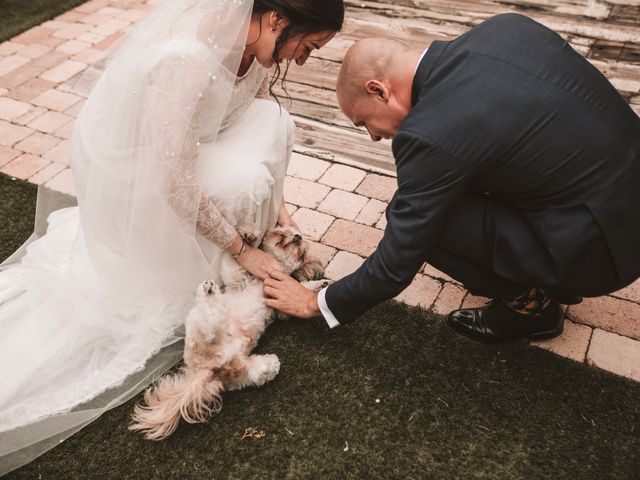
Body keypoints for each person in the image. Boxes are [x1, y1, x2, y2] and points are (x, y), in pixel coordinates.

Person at [0, 0, 343, 474]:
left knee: (275, 122)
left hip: (189, 149)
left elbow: (254, 112)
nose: (302, 60)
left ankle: (233, 244)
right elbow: (173, 181)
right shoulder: (186, 59)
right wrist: (244, 252)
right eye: (306, 46)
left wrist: (285, 217)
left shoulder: (255, 46)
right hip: (141, 175)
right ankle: (207, 259)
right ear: (277, 20)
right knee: (244, 180)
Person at [264, 14, 640, 345]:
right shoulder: (506, 27)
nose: (374, 137)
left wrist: (316, 302)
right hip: (621, 200)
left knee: (423, 221)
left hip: (604, 253)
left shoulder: (429, 134)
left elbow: (396, 263)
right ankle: (552, 272)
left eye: (364, 123)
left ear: (379, 91)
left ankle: (533, 309)